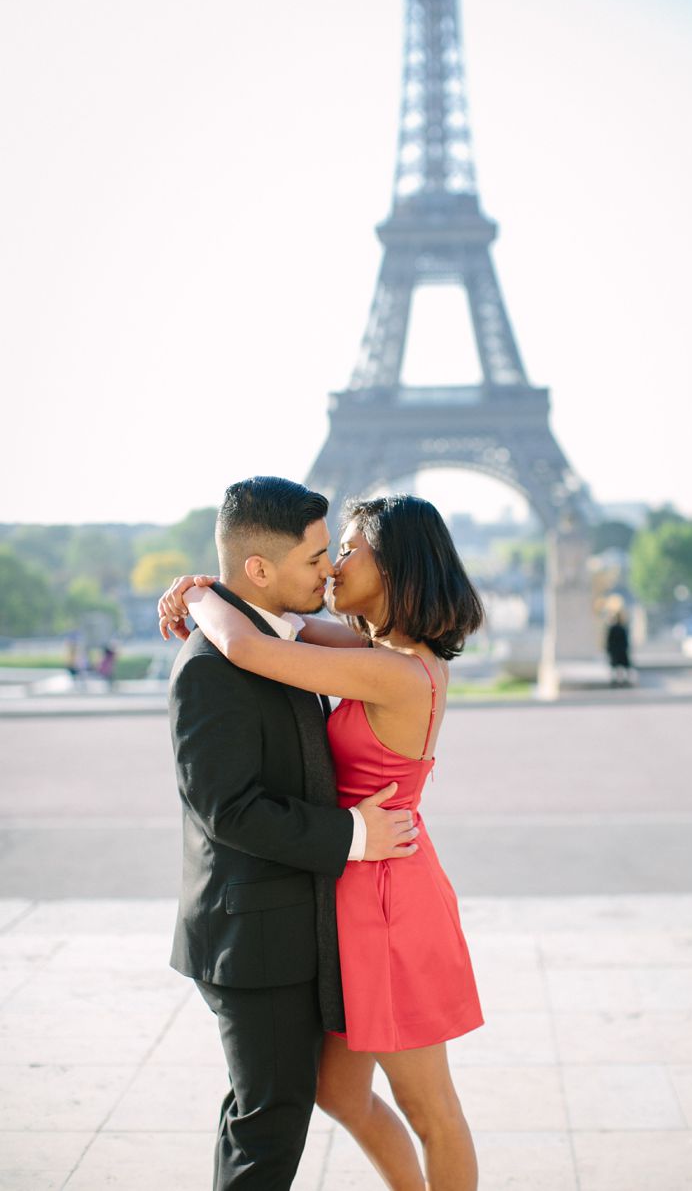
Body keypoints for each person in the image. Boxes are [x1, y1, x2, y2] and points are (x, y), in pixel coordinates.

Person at [160, 482, 486, 1191]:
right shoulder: (378, 648)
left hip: (388, 892)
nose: (335, 566)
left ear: (393, 569)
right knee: (336, 1092)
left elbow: (247, 645)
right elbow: (281, 626)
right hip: (350, 884)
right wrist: (211, 587)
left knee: (430, 1106)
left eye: (347, 551)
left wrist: (196, 598)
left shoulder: (394, 671)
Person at [606, 608, 634, 686]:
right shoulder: (619, 628)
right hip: (620, 650)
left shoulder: (615, 628)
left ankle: (618, 680)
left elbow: (610, 640)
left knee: (618, 666)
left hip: (617, 650)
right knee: (620, 666)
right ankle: (620, 680)